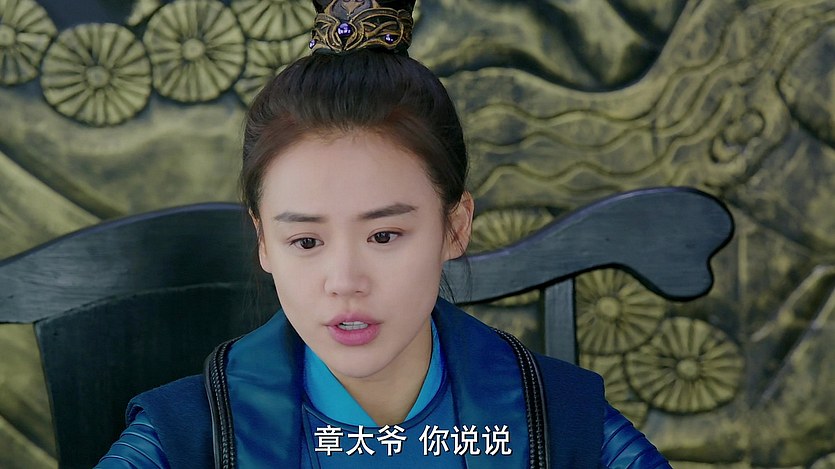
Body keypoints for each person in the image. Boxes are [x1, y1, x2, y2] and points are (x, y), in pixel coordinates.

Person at [97, 1, 672, 467]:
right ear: (263, 242)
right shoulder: (184, 438)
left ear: (455, 226)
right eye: (306, 242)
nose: (345, 281)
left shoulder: (564, 423)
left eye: (384, 236)